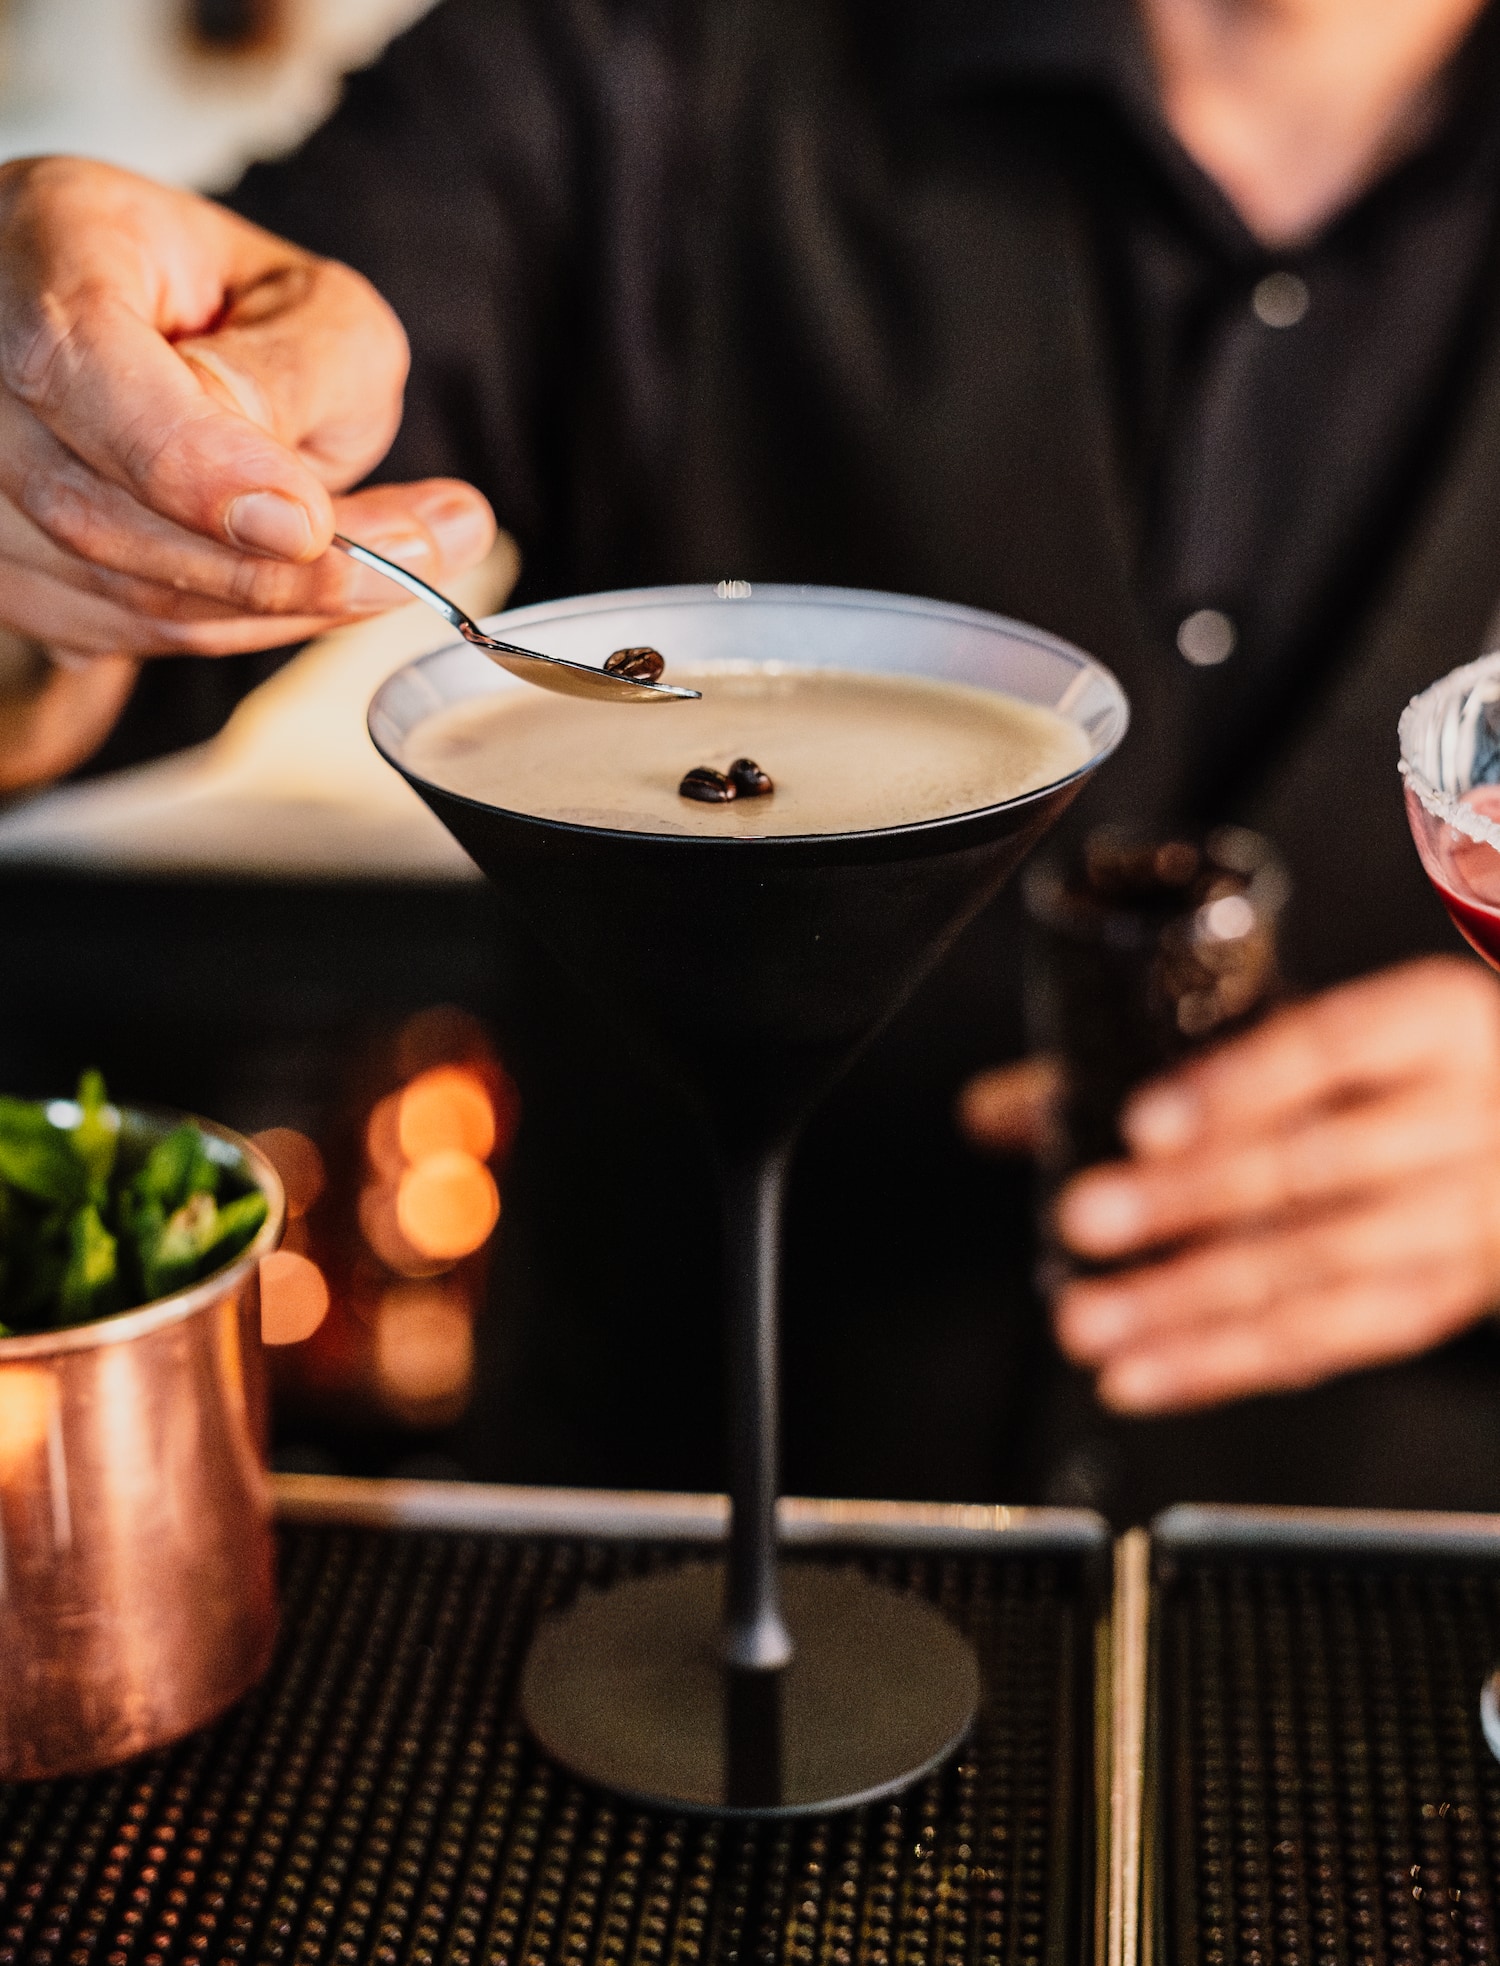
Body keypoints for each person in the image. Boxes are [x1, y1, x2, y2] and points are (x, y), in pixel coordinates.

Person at [3, 0, 1500, 1509]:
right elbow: (79, 637)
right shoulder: (633, 57)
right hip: (647, 1560)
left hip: (1405, 1607)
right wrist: (60, 487)